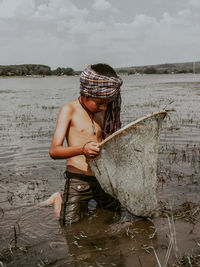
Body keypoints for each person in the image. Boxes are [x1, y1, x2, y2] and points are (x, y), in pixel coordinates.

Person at [45, 63, 123, 224]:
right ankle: (57, 199)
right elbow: (54, 151)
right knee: (68, 225)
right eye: (99, 103)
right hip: (78, 178)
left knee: (114, 218)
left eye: (107, 103)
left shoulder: (104, 110)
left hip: (102, 178)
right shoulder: (69, 110)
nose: (103, 107)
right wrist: (82, 149)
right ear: (85, 94)